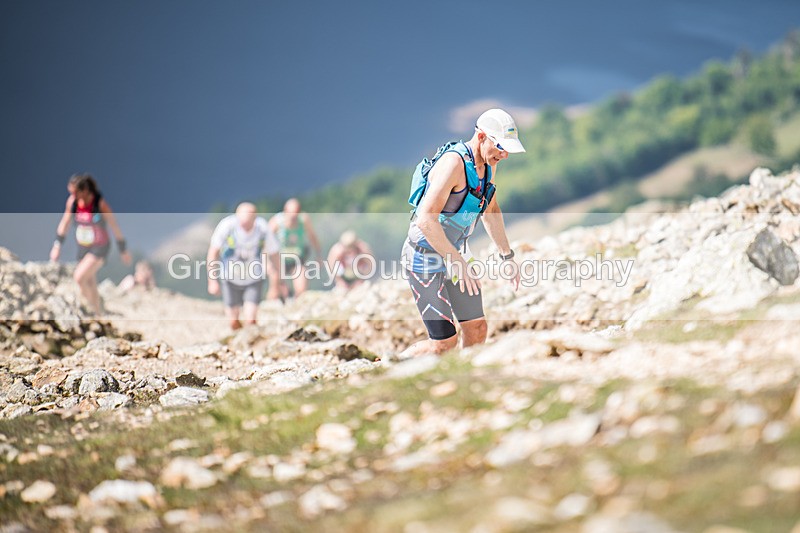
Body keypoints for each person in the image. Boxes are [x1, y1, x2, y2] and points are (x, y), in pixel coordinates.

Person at [400, 108, 524, 357]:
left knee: (477, 328)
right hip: (423, 257)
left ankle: (464, 376)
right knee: (443, 344)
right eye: (501, 147)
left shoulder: (488, 164)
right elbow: (425, 220)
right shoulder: (453, 164)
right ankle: (391, 365)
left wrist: (507, 256)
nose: (504, 155)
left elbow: (491, 209)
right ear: (481, 136)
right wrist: (456, 261)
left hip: (455, 254)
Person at [50, 174, 131, 315]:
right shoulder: (73, 203)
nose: (73, 196)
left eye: (75, 192)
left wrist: (123, 250)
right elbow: (65, 223)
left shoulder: (99, 204)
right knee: (90, 282)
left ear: (85, 190)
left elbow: (114, 226)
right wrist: (57, 245)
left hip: (100, 247)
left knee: (79, 277)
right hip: (83, 247)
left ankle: (91, 310)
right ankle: (98, 314)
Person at [207, 202, 280, 330]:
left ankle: (250, 337)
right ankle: (238, 338)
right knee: (233, 321)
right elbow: (213, 252)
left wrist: (276, 284)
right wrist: (212, 281)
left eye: (248, 223)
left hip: (254, 278)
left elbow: (274, 255)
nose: (244, 226)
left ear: (254, 218)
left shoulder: (263, 229)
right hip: (229, 278)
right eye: (242, 222)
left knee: (250, 319)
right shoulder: (227, 226)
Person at [267, 198, 322, 300]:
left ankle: (297, 305)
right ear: (285, 211)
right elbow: (266, 242)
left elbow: (312, 237)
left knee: (301, 289)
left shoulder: (303, 220)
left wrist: (318, 255)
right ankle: (271, 306)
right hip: (279, 261)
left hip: (297, 260)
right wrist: (267, 263)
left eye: (295, 214)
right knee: (275, 289)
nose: (293, 217)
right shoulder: (276, 222)